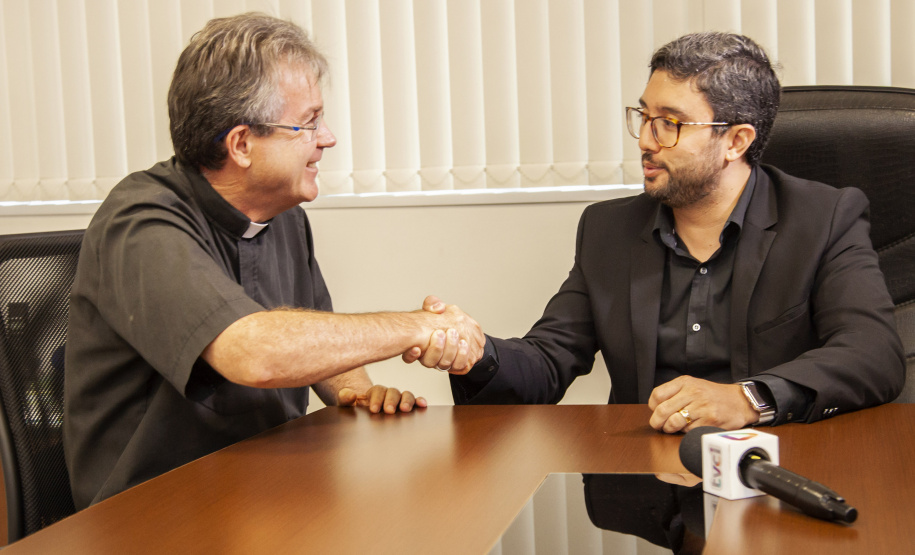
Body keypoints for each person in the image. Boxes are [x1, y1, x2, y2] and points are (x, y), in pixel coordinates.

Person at [63, 13, 482, 510]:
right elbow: (254, 352)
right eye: (308, 122)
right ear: (241, 144)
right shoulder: (139, 222)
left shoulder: (280, 214)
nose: (327, 138)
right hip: (154, 516)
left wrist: (355, 389)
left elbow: (312, 335)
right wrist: (415, 328)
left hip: (263, 494)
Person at [440, 32, 905, 433]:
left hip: (780, 468)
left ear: (736, 141)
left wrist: (748, 399)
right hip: (647, 488)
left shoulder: (823, 218)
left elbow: (872, 354)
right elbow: (546, 362)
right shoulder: (609, 229)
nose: (645, 139)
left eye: (670, 124)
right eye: (644, 117)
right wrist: (475, 354)